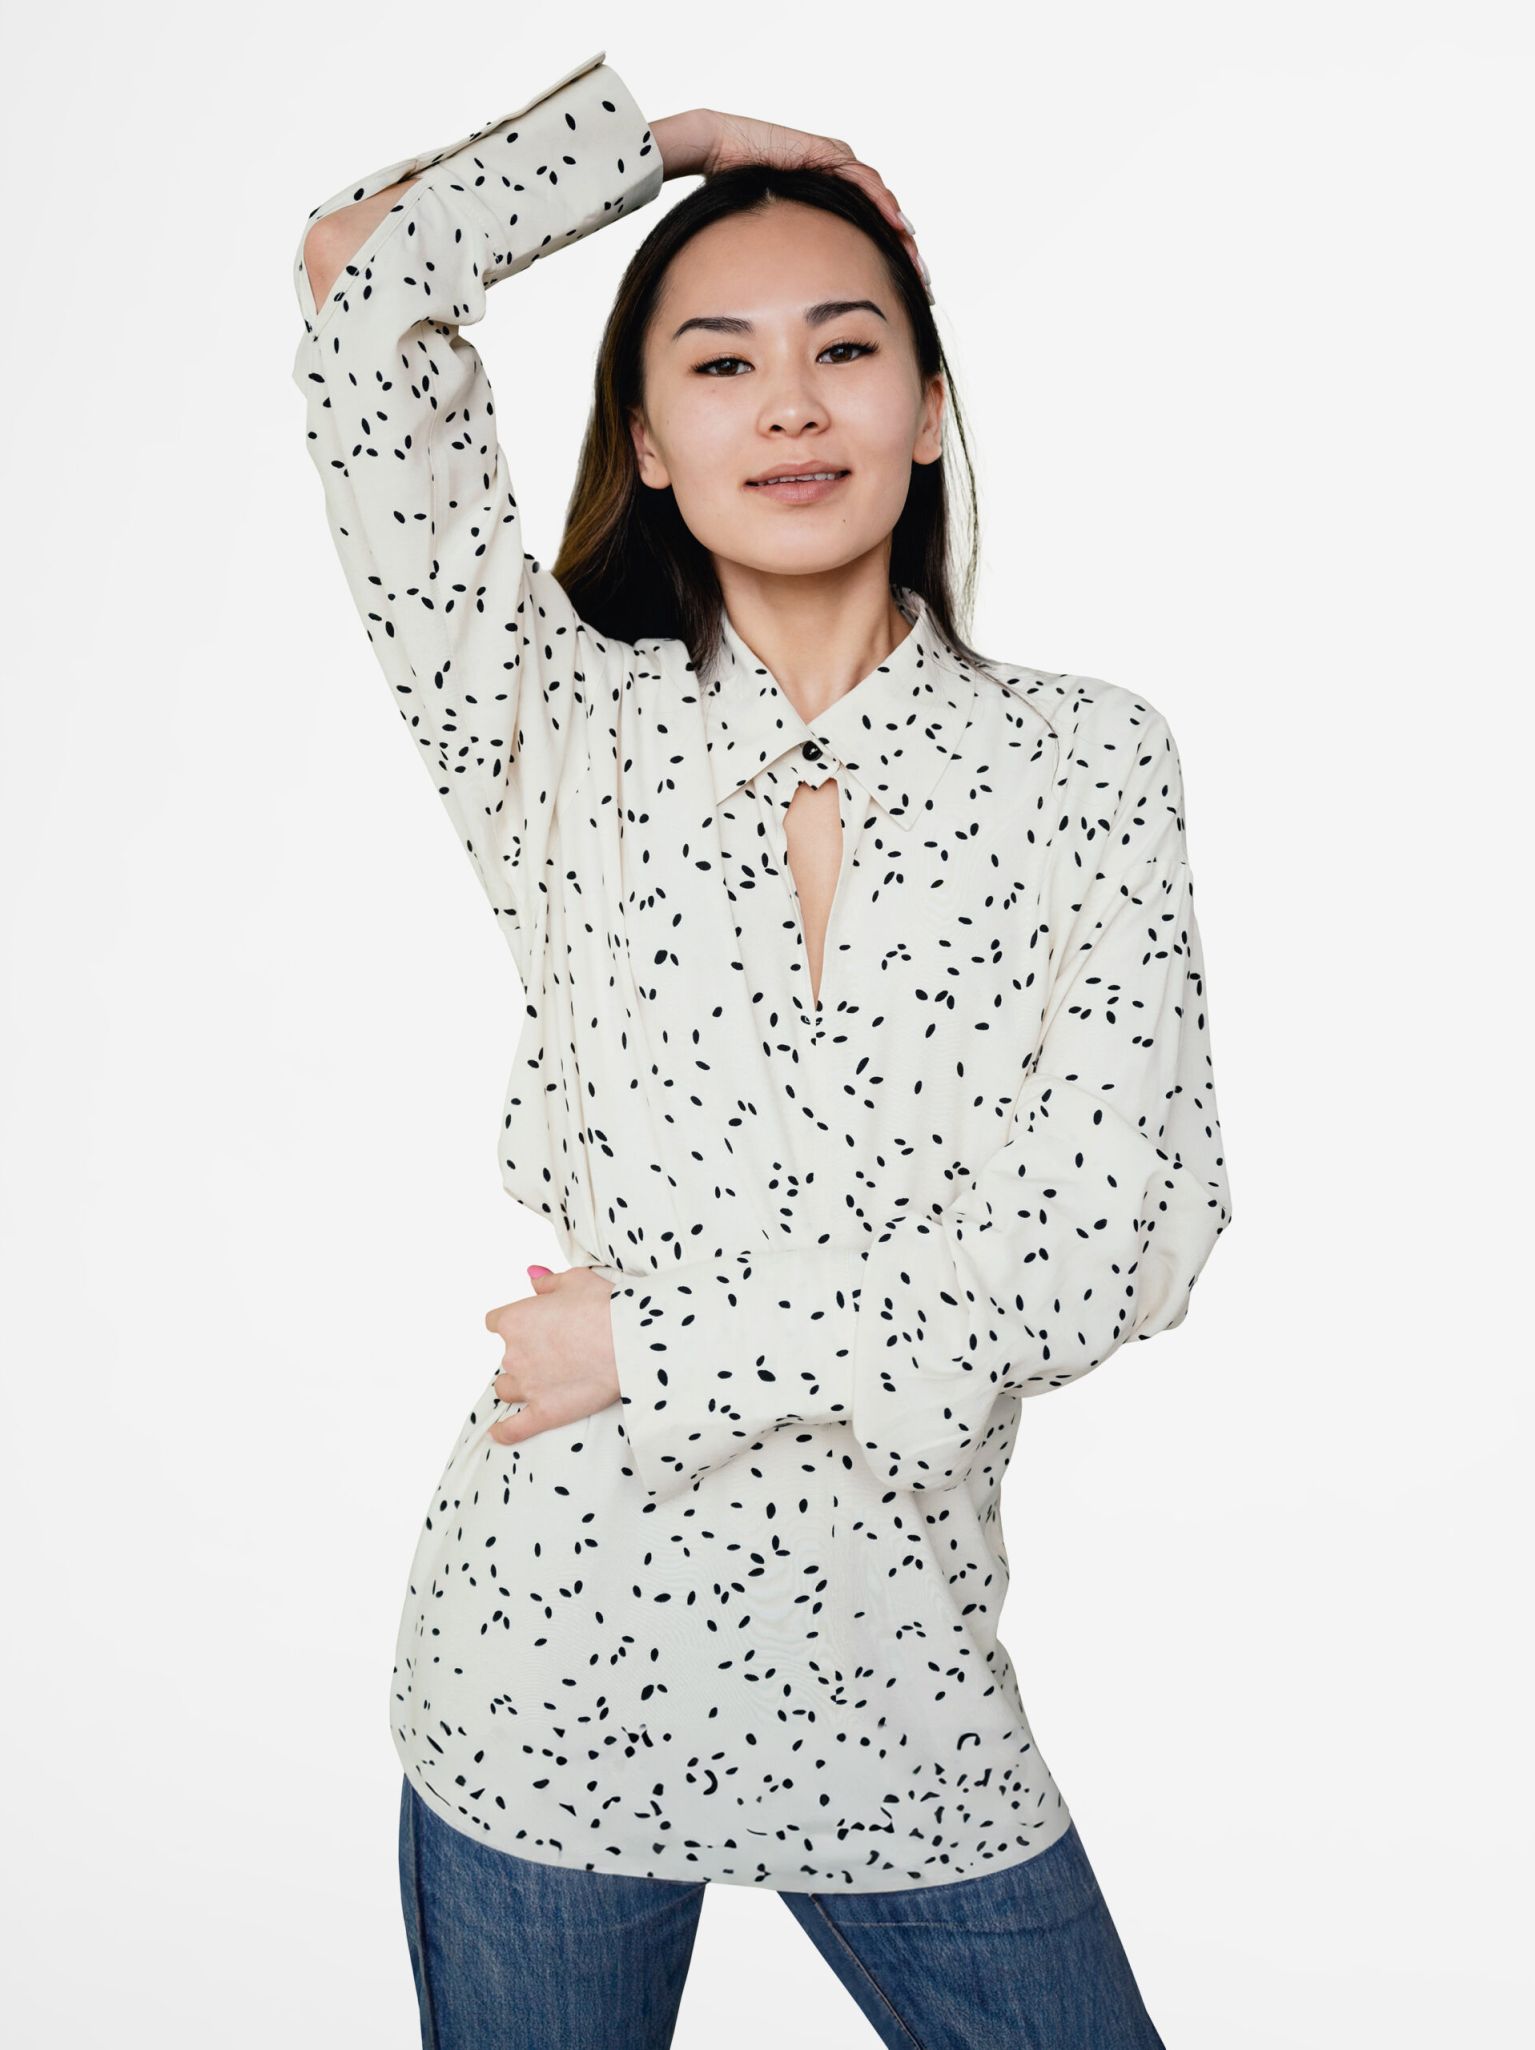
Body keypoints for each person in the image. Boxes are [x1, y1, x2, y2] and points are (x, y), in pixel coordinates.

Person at [290, 48, 1233, 2050]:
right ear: (646, 437)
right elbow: (362, 286)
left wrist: (650, 1339)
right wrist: (680, 148)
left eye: (846, 346)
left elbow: (1111, 1250)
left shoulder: (1086, 765)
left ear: (930, 404)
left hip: (904, 1684)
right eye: (720, 363)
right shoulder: (553, 727)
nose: (792, 403)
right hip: (545, 1674)